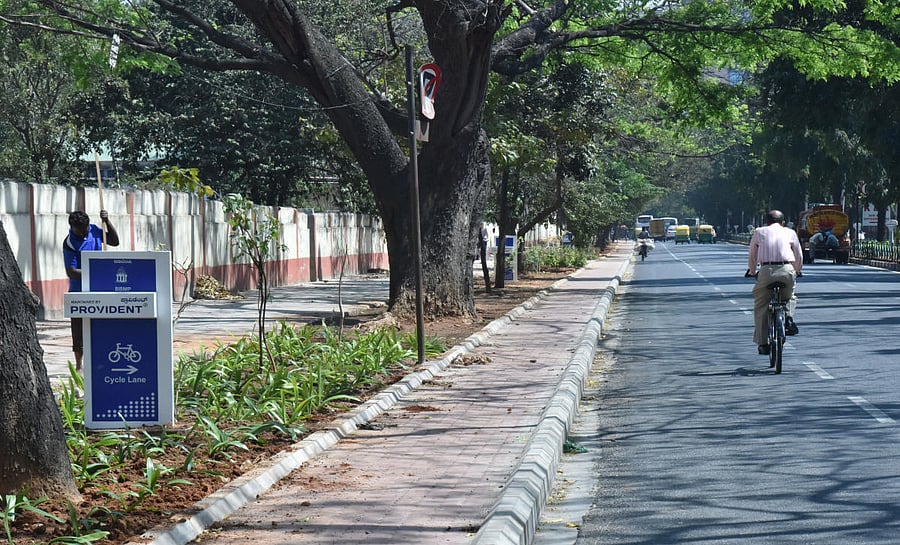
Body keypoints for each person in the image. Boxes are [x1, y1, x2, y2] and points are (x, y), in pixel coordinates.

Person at [63, 209, 120, 371]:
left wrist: (107, 221)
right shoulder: (69, 242)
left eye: (85, 229)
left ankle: (100, 361)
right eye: (79, 230)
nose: (82, 232)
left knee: (100, 326)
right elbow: (71, 271)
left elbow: (114, 241)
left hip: (98, 289)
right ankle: (79, 366)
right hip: (78, 291)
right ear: (72, 227)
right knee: (78, 330)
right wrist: (95, 272)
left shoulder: (95, 230)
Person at [746, 210, 801, 355]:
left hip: (766, 270)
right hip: (787, 269)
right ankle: (788, 318)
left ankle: (763, 344)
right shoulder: (790, 232)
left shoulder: (759, 232)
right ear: (783, 223)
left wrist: (752, 271)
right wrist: (797, 270)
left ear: (767, 222)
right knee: (790, 296)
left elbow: (752, 255)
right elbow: (798, 254)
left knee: (761, 306)